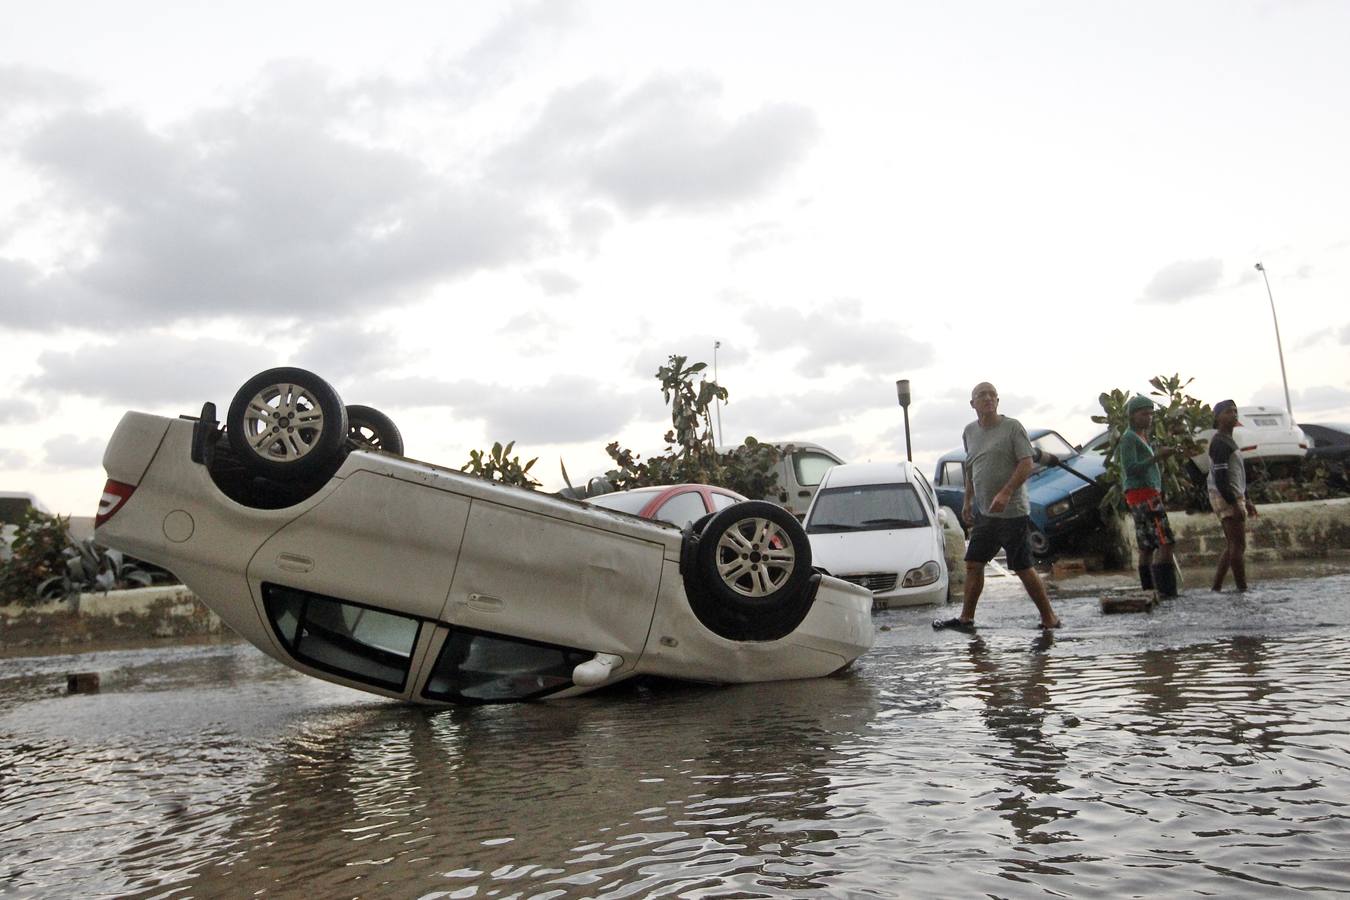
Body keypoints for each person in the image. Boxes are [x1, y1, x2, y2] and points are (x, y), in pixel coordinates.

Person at [933, 382, 1062, 633]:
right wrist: (968, 500)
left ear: (998, 401)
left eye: (992, 394)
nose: (988, 398)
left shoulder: (1012, 427)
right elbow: (971, 468)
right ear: (972, 403)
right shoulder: (970, 431)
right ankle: (966, 618)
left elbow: (1026, 463)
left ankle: (1050, 618)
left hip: (1012, 511)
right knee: (974, 563)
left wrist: (1006, 492)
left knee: (1022, 567)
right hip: (985, 512)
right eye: (982, 395)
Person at [1117, 395, 1179, 598]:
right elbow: (1131, 468)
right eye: (1144, 414)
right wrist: (1157, 457)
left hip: (1142, 494)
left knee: (1147, 545)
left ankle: (1149, 591)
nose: (1149, 418)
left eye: (1151, 414)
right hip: (1144, 495)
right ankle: (1166, 591)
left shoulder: (1140, 436)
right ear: (1132, 416)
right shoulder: (1129, 438)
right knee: (1165, 542)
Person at [1208, 399, 1258, 591]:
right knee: (1238, 546)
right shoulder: (1220, 443)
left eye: (1235, 411)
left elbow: (1237, 474)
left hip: (1234, 494)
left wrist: (1247, 500)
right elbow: (1221, 478)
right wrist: (1234, 504)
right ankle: (1242, 589)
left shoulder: (1228, 440)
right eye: (1228, 411)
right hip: (1226, 496)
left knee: (1232, 545)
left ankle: (1217, 587)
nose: (1233, 414)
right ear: (1218, 418)